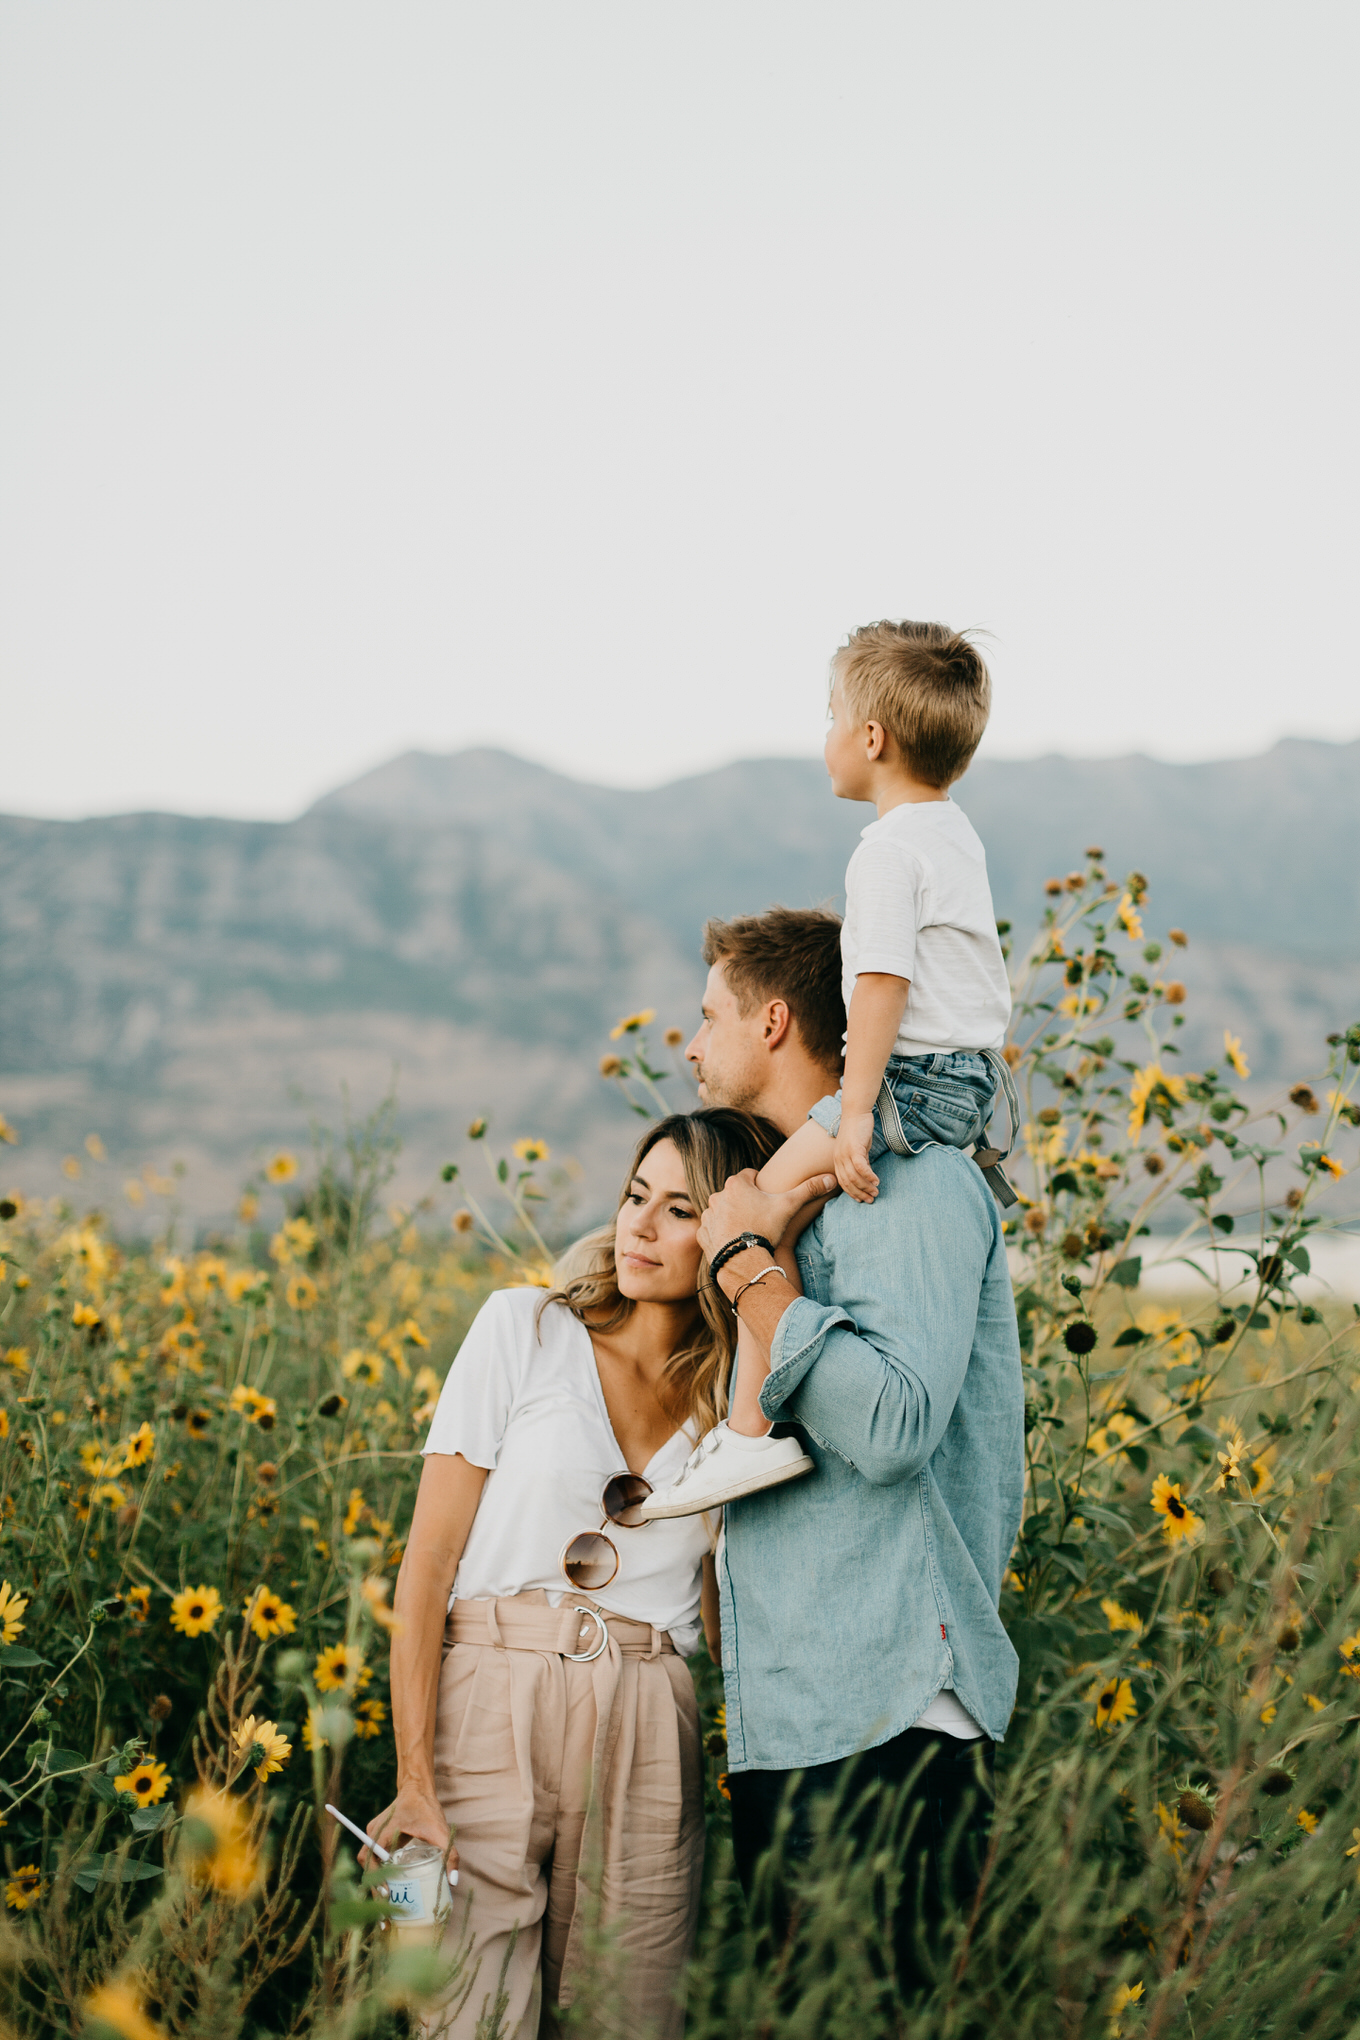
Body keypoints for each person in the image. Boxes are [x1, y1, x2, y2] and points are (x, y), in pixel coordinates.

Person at [649, 900, 1026, 1996]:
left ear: (773, 1022)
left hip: (887, 1707)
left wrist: (750, 1275)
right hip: (802, 1712)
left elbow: (897, 1426)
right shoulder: (788, 1194)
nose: (689, 1040)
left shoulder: (904, 1182)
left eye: (707, 1014)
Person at [363, 1107, 805, 2040]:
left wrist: (764, 1252)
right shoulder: (522, 1329)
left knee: (626, 2017)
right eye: (635, 1196)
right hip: (488, 1695)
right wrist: (414, 1780)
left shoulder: (733, 1404)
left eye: (682, 1208)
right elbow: (427, 1565)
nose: (641, 1225)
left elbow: (730, 1610)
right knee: (461, 2010)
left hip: (651, 1715)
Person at [642, 620, 1014, 1513]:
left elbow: (881, 983)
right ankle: (744, 1424)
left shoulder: (887, 852)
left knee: (750, 1204)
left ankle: (746, 1437)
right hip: (968, 1080)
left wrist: (854, 1109)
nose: (826, 740)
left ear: (872, 739)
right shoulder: (955, 835)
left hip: (914, 1082)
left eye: (830, 718)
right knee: (772, 1202)